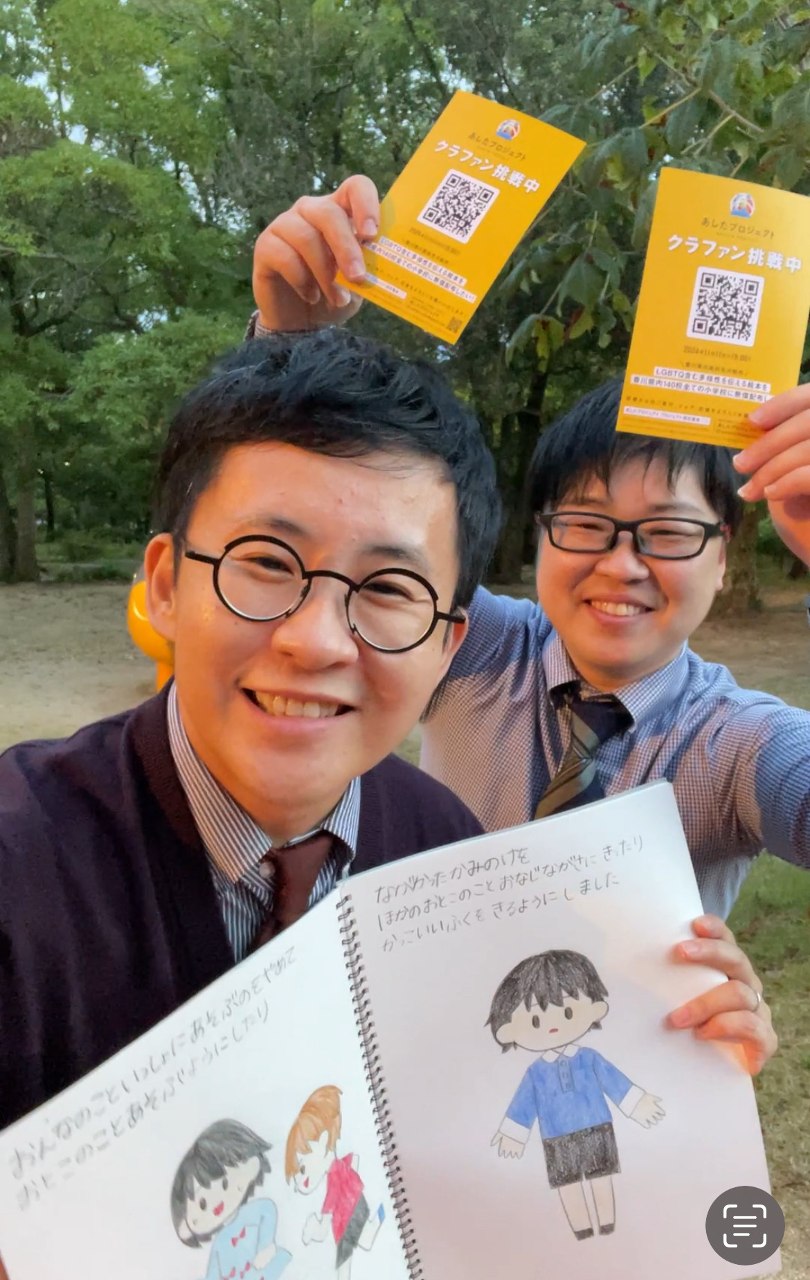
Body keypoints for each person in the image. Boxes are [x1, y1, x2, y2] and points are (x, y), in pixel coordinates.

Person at [248, 173, 810, 1076]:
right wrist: (288, 351)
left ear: (723, 553)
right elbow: (331, 550)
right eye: (584, 525)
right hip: (413, 1059)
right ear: (540, 534)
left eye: (667, 533)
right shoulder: (475, 647)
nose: (620, 566)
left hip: (616, 1085)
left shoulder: (739, 746)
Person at [0, 328, 499, 1137]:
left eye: (388, 586)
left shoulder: (445, 857)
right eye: (266, 562)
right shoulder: (19, 872)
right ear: (165, 586)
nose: (317, 642)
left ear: (447, 644)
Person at [488, 950, 665, 1241]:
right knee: (567, 1184)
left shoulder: (589, 1058)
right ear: (508, 1031)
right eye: (535, 1021)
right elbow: (523, 1104)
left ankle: (608, 1227)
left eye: (568, 1012)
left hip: (597, 1127)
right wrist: (513, 1134)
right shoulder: (535, 1073)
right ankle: (582, 1231)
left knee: (601, 1177)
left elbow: (614, 1082)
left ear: (595, 1009)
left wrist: (638, 1103)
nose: (553, 1025)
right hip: (556, 1137)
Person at [170, 1119, 292, 1279]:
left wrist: (265, 1247)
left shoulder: (251, 1213)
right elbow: (213, 1275)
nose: (216, 1203)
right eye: (202, 1204)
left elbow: (268, 1210)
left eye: (225, 1184)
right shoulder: (219, 1244)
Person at [286, 1084, 385, 1277]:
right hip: (351, 1212)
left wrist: (316, 1226)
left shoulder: (334, 1175)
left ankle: (379, 1218)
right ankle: (379, 1217)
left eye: (302, 1169)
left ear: (323, 1140)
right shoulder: (337, 1170)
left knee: (346, 1259)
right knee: (361, 1243)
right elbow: (353, 1162)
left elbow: (329, 1208)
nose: (301, 1182)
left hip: (349, 1213)